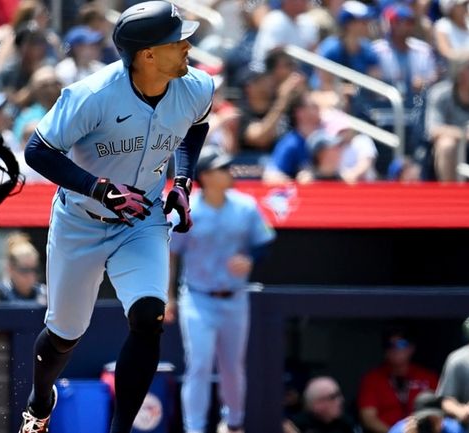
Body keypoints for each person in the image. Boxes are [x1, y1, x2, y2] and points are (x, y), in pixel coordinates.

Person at [19, 2, 214, 432]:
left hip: (142, 217)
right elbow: (37, 151)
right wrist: (99, 188)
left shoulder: (196, 85)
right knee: (64, 335)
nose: (188, 46)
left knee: (149, 319)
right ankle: (38, 404)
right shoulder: (92, 94)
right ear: (147, 54)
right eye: (178, 39)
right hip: (82, 218)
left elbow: (196, 125)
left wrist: (182, 181)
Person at [167, 147, 276, 433]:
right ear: (206, 176)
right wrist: (166, 297)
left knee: (232, 367)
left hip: (234, 298)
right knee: (199, 365)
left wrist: (249, 258)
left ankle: (235, 423)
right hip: (197, 296)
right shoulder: (187, 209)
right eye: (222, 168)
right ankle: (195, 428)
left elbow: (264, 242)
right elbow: (170, 253)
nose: (229, 173)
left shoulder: (245, 205)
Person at [358, 330, 439, 433]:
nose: (395, 349)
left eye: (401, 344)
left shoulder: (428, 377)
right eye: (390, 345)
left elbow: (438, 414)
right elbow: (368, 418)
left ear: (411, 348)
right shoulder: (372, 379)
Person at [424, 54, 469, 181]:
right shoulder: (440, 93)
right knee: (446, 144)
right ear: (461, 70)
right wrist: (467, 135)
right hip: (453, 147)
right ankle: (450, 195)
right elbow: (434, 130)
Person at [0, 232, 46, 304]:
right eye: (25, 270)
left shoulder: (43, 294)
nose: (31, 275)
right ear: (10, 269)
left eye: (35, 270)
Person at [290, 376, 361, 433]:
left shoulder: (347, 424)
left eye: (339, 395)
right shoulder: (294, 426)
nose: (341, 400)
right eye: (333, 397)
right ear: (316, 403)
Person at [387, 392, 464, 433]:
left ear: (441, 418)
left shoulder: (453, 429)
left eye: (433, 418)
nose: (428, 424)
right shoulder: (400, 430)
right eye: (425, 420)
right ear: (411, 418)